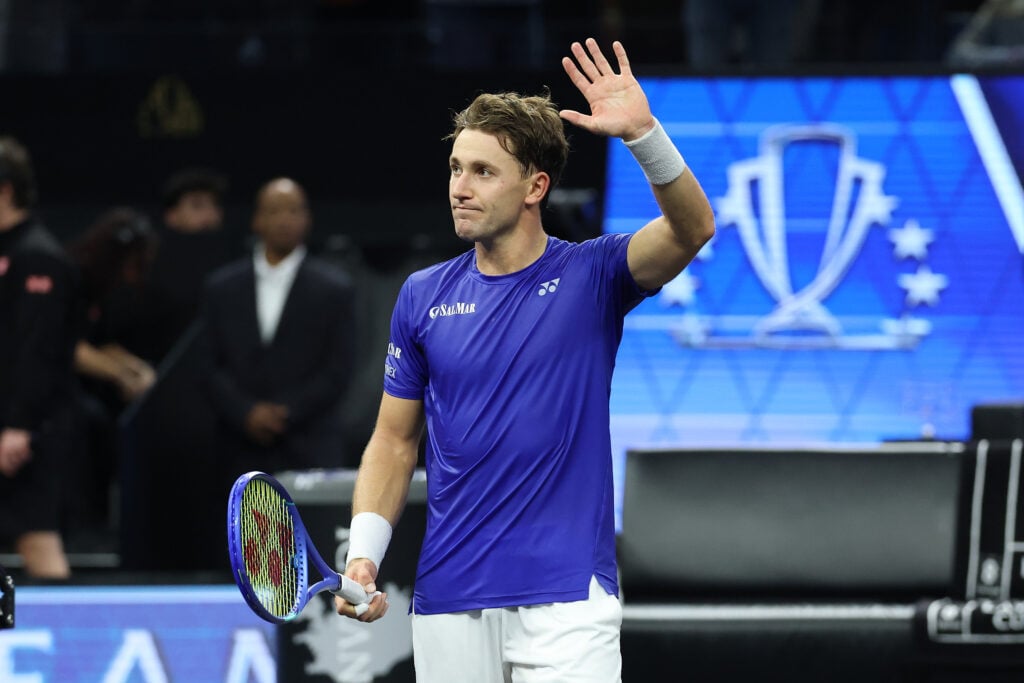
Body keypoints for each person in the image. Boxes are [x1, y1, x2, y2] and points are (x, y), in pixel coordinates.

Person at [334, 38, 715, 681]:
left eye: (483, 172)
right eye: (456, 168)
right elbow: (395, 442)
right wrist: (366, 554)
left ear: (535, 185)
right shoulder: (422, 296)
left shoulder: (594, 274)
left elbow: (693, 228)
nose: (460, 187)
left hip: (567, 598)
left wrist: (644, 134)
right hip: (449, 598)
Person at [200, 177, 356, 483]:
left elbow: (339, 369)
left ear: (307, 219)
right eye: (274, 211)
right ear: (257, 219)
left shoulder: (335, 289)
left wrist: (286, 413)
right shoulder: (221, 287)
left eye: (294, 211)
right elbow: (207, 364)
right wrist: (246, 412)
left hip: (310, 450)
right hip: (237, 450)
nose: (284, 220)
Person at [0, 136, 78, 579]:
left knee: (37, 539)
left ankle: (72, 643)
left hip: (28, 434)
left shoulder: (37, 256)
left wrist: (18, 426)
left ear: (6, 190)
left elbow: (37, 351)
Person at [65, 206, 159, 543]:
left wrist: (138, 370)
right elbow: (70, 347)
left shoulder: (100, 291)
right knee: (90, 423)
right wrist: (121, 375)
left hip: (81, 397)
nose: (135, 275)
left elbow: (100, 344)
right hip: (52, 400)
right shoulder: (68, 276)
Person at [132, 166, 237, 367]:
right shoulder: (150, 262)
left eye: (214, 206)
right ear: (171, 215)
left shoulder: (234, 260)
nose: (209, 214)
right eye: (197, 206)